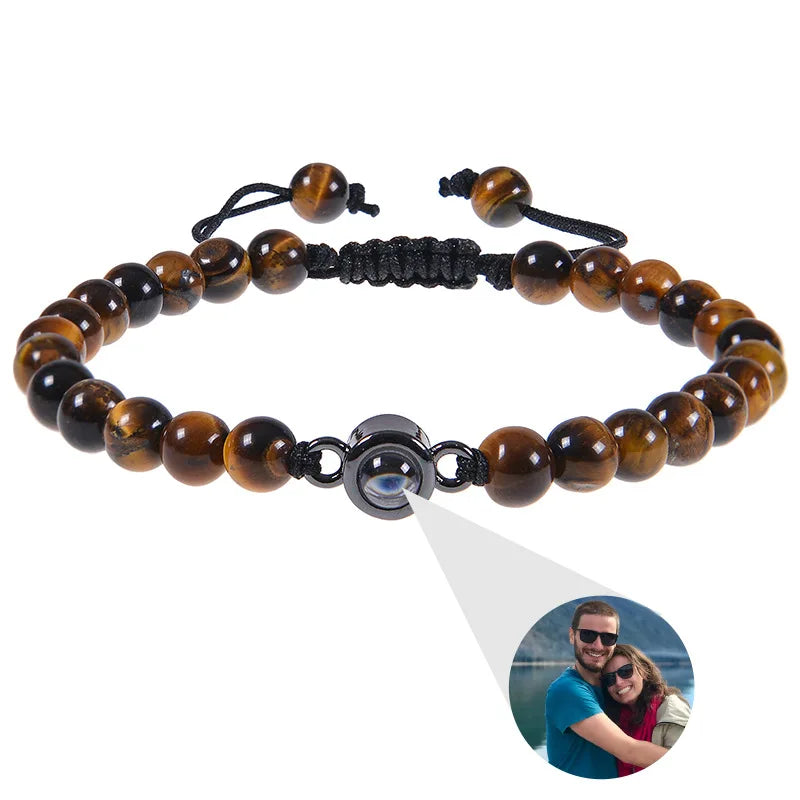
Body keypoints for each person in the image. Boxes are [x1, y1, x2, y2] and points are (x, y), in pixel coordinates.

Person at [545, 600, 667, 779]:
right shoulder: (567, 691)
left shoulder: (613, 688)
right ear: (572, 635)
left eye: (607, 638)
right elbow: (628, 751)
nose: (598, 645)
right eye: (588, 635)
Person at [601, 644, 691, 776]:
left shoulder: (672, 710)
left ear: (643, 670)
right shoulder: (613, 720)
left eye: (625, 671)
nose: (618, 682)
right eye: (609, 679)